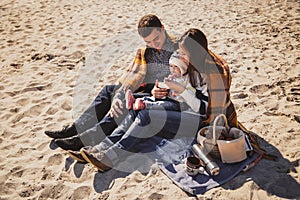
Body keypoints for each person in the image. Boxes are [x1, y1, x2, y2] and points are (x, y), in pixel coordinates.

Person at [71, 28, 239, 172]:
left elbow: (204, 111)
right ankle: (100, 149)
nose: (181, 56)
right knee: (139, 107)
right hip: (179, 108)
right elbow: (177, 91)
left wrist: (181, 91)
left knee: (147, 115)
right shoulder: (188, 65)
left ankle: (110, 157)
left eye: (184, 53)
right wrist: (161, 91)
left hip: (199, 121)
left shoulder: (211, 72)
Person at [44, 14, 178, 151]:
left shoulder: (177, 47)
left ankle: (86, 138)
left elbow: (184, 80)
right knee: (109, 91)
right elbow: (130, 77)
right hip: (144, 88)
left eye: (156, 39)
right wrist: (118, 96)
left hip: (161, 95)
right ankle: (75, 128)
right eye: (148, 42)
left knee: (126, 102)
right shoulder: (145, 52)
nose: (153, 45)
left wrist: (162, 90)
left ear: (162, 28)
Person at [125, 49, 204, 113]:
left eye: (176, 67)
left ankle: (144, 104)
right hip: (169, 98)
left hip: (180, 104)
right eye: (171, 66)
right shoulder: (173, 77)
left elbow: (190, 92)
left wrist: (180, 91)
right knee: (155, 98)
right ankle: (136, 100)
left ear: (182, 68)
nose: (172, 69)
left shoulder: (187, 79)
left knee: (163, 105)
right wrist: (163, 85)